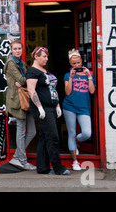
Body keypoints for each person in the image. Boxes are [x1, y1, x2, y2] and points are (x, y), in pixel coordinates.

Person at [26, 46, 70, 175]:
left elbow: (52, 89)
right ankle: (58, 168)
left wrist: (57, 105)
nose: (46, 59)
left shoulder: (45, 72)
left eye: (47, 57)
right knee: (53, 137)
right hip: (42, 108)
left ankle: (43, 168)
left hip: (51, 107)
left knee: (45, 137)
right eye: (44, 56)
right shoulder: (32, 72)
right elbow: (31, 90)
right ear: (36, 57)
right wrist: (39, 107)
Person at [4, 40, 36, 170]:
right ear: (11, 50)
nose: (17, 51)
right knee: (21, 130)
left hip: (25, 98)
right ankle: (23, 161)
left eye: (19, 49)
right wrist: (27, 80)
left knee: (32, 131)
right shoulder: (11, 63)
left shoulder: (22, 63)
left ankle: (17, 155)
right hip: (17, 100)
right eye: (15, 49)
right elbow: (22, 80)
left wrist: (25, 81)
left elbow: (24, 81)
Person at [62, 49, 95, 171]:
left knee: (87, 133)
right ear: (70, 64)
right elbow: (67, 92)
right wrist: (71, 78)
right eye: (73, 64)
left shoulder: (89, 74)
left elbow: (92, 91)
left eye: (78, 63)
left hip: (83, 108)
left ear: (82, 61)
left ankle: (76, 140)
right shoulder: (67, 75)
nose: (76, 65)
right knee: (71, 132)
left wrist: (89, 77)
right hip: (69, 107)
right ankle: (75, 161)